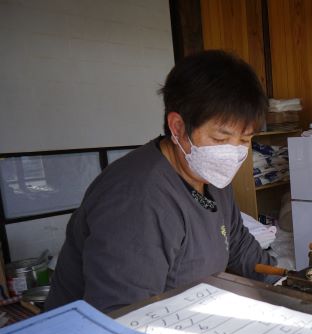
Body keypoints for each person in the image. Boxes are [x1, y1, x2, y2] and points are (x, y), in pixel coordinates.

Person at [45, 50, 276, 313]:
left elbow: (237, 242)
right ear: (177, 127)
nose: (233, 153)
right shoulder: (136, 198)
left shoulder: (208, 176)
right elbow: (124, 312)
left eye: (244, 140)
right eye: (220, 139)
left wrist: (280, 282)